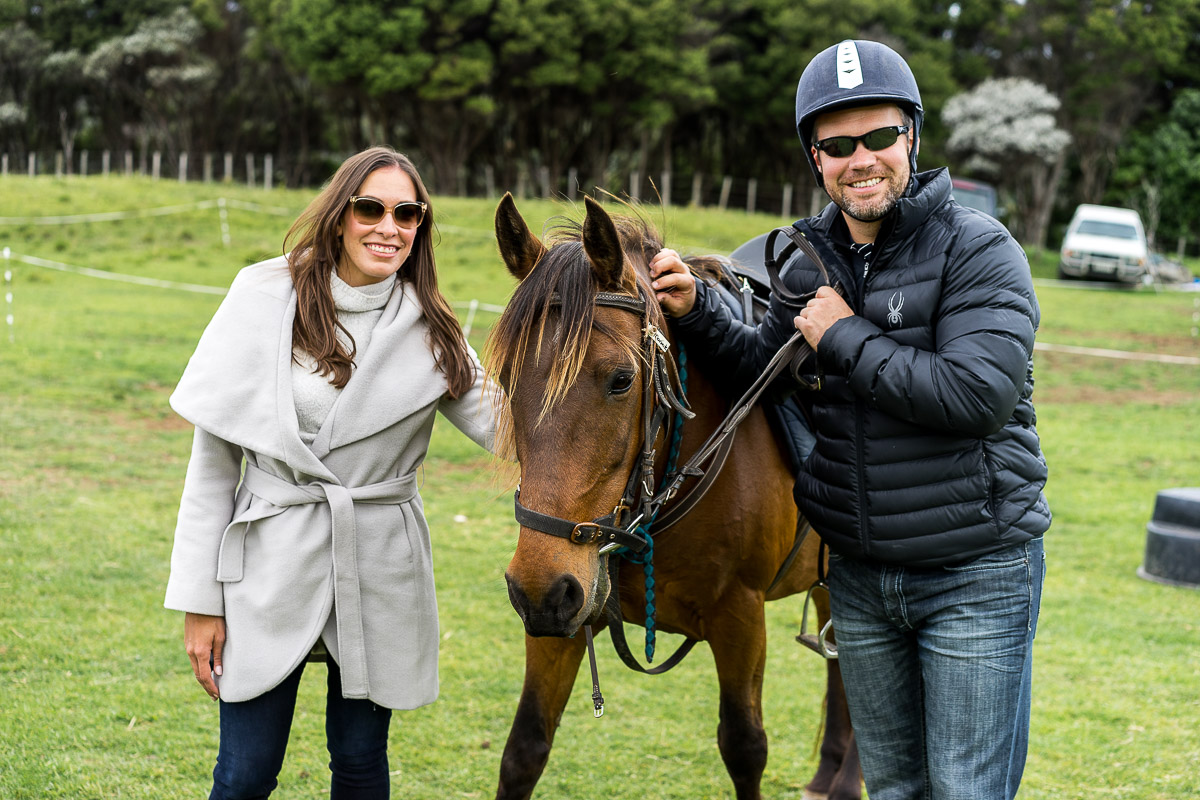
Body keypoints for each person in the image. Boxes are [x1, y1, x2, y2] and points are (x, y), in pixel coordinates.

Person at [649, 40, 1050, 800]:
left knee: (965, 790)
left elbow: (977, 396)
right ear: (815, 157)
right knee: (894, 789)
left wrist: (840, 335)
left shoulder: (980, 250)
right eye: (837, 145)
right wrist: (696, 310)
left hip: (974, 571)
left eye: (878, 137)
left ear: (913, 139)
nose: (860, 159)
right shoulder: (806, 262)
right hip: (860, 576)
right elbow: (758, 376)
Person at [164, 145, 498, 799]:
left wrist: (587, 324)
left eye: (408, 214)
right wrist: (199, 604)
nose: (389, 227)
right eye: (370, 208)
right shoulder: (261, 297)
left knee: (361, 764)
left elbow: (514, 432)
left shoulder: (434, 330)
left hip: (378, 564)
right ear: (340, 214)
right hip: (267, 563)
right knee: (244, 776)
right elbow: (211, 470)